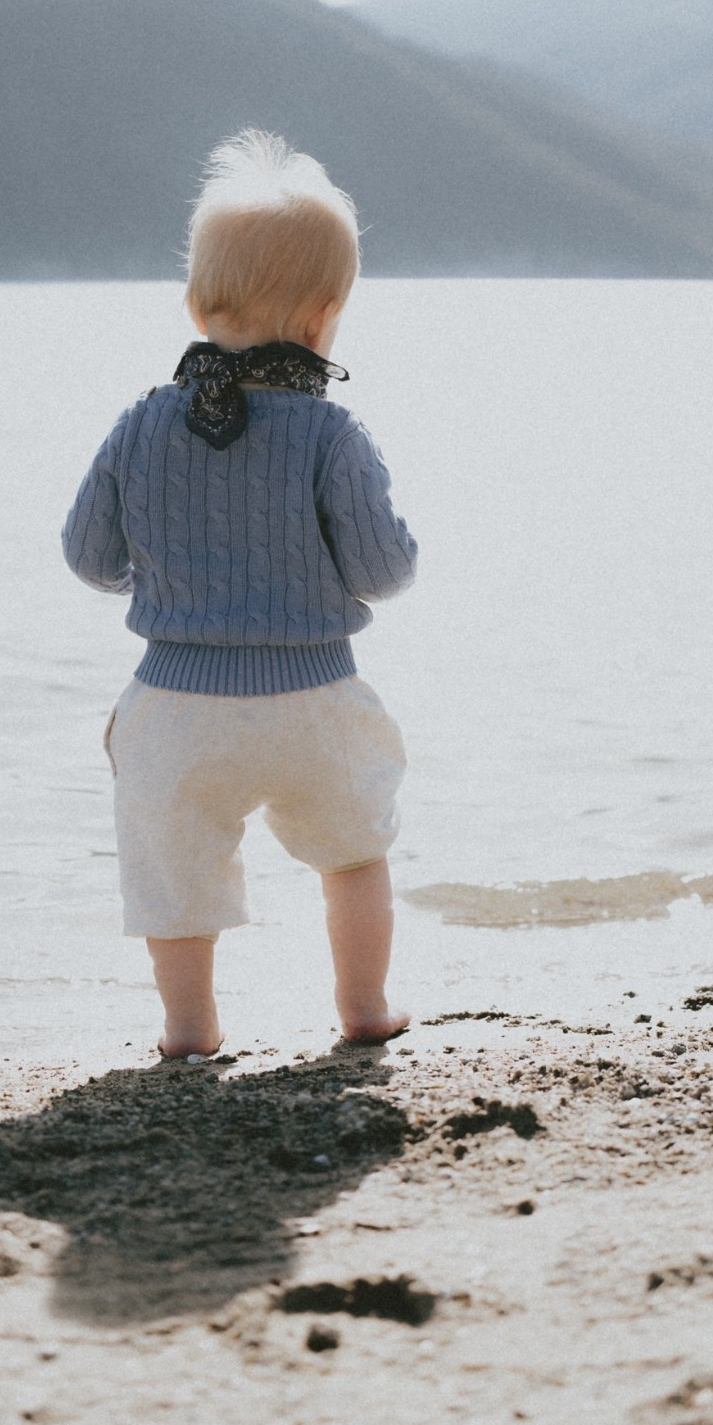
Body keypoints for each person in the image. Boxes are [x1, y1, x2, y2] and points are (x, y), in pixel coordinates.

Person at [62, 130, 418, 1058]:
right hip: (315, 696)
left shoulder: (140, 424)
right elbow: (381, 571)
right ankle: (365, 1009)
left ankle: (189, 1029)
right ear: (324, 317)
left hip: (176, 702)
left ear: (194, 302)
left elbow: (87, 555)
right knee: (354, 853)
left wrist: (169, 581)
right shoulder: (331, 434)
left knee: (173, 875)